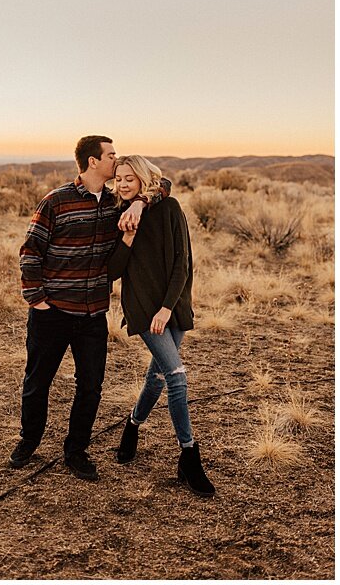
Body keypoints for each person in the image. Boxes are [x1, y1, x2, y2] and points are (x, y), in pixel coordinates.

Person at [14, 135, 152, 479]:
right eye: (111, 156)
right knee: (38, 381)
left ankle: (76, 451)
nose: (116, 162)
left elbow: (161, 181)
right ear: (93, 161)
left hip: (93, 313)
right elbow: (30, 251)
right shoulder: (56, 201)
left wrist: (141, 202)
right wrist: (38, 300)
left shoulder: (115, 202)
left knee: (90, 386)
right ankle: (28, 441)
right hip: (53, 312)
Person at [108, 154, 214, 496]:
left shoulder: (168, 208)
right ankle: (189, 454)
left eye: (129, 178)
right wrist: (126, 237)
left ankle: (132, 425)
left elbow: (183, 262)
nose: (122, 184)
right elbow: (113, 272)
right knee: (176, 377)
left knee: (156, 377)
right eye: (118, 178)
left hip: (173, 305)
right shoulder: (118, 215)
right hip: (140, 307)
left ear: (142, 180)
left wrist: (168, 308)